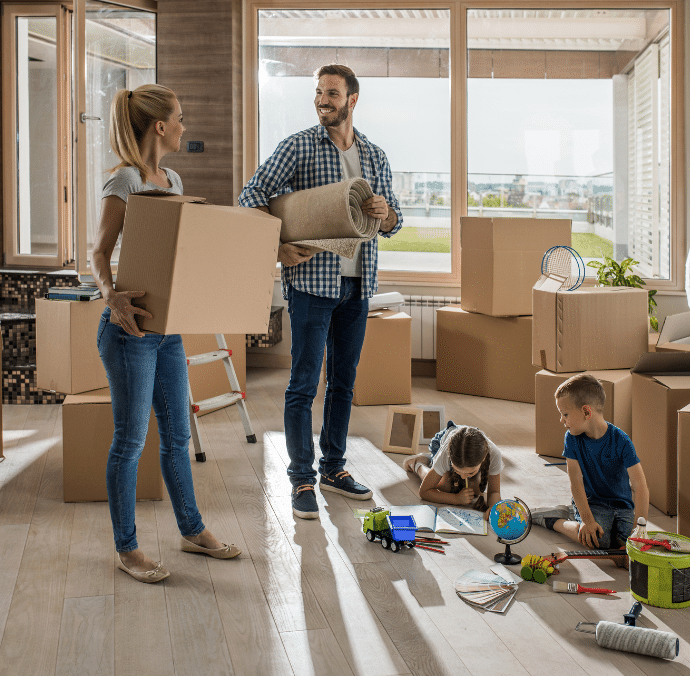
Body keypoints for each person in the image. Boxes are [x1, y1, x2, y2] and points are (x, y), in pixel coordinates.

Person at [238, 64, 403, 520]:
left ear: (352, 99)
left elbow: (393, 224)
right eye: (318, 93)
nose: (321, 100)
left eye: (331, 93)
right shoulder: (298, 146)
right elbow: (250, 196)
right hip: (311, 285)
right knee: (303, 384)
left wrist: (385, 212)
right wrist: (278, 246)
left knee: (344, 383)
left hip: (357, 284)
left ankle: (333, 468)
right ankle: (302, 479)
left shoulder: (374, 155)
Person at [91, 84, 240, 583]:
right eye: (179, 117)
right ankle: (127, 549)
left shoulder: (171, 177)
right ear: (159, 125)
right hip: (130, 331)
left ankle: (191, 531)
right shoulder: (125, 183)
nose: (183, 124)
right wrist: (110, 295)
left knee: (177, 435)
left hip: (167, 330)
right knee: (131, 440)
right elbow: (97, 253)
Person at [530, 374, 649, 552]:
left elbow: (640, 486)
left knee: (625, 545)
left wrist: (639, 532)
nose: (561, 420)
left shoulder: (621, 440)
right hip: (593, 503)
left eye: (565, 414)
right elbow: (575, 481)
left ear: (586, 412)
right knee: (597, 541)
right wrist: (587, 520)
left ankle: (572, 512)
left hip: (622, 507)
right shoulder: (572, 438)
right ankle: (554, 520)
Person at [403, 423, 503, 518]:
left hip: (471, 445)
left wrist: (493, 509)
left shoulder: (494, 454)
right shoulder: (445, 453)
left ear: (483, 458)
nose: (463, 477)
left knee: (475, 490)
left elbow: (494, 491)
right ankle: (419, 463)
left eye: (470, 472)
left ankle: (454, 469)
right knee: (444, 486)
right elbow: (424, 491)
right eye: (458, 471)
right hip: (443, 441)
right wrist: (456, 499)